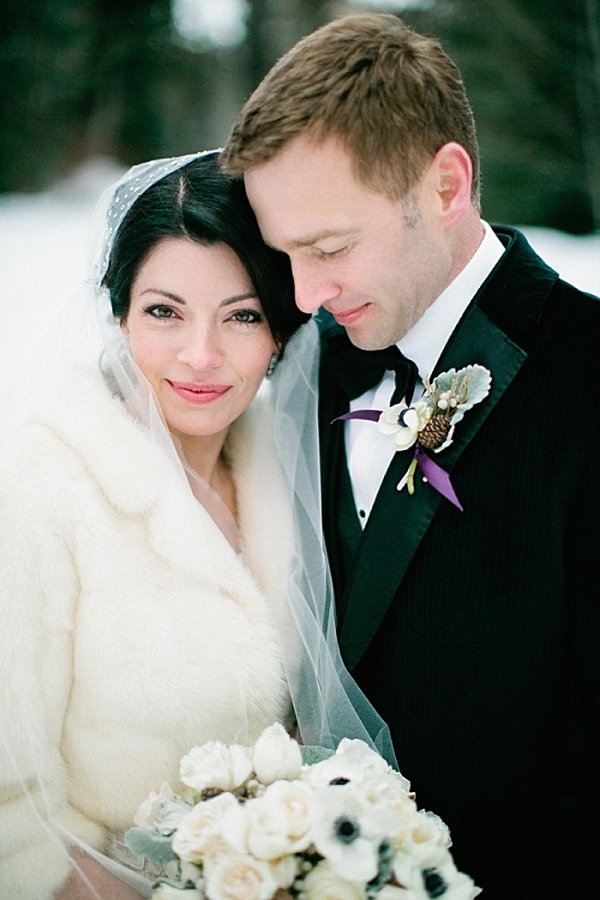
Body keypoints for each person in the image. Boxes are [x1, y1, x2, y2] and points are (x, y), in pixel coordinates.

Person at [220, 13, 600, 899]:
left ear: (446, 184)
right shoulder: (308, 370)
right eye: (287, 259)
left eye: (329, 248)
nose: (306, 296)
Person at [0, 150, 394, 900]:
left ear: (281, 329)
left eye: (242, 315)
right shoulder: (39, 483)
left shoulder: (286, 474)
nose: (202, 356)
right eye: (163, 311)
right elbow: (8, 810)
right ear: (118, 314)